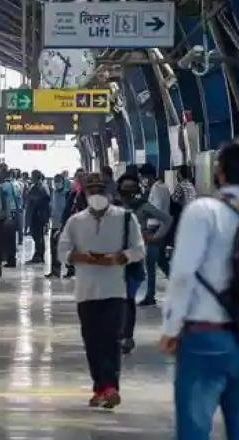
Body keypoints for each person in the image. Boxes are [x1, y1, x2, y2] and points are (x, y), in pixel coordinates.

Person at [160, 143, 239, 440]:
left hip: (207, 335)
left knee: (194, 428)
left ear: (218, 173)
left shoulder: (204, 211)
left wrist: (170, 327)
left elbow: (182, 273)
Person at [58, 173, 145, 409]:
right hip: (86, 292)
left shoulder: (125, 219)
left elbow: (139, 249)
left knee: (111, 340)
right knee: (92, 342)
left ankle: (110, 387)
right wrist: (82, 257)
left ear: (109, 193)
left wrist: (121, 257)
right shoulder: (75, 222)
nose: (96, 195)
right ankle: (100, 387)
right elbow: (62, 250)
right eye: (91, 191)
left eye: (100, 191)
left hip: (115, 290)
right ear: (85, 194)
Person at [115, 174, 172, 354]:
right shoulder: (112, 207)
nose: (129, 193)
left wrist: (154, 237)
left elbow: (167, 219)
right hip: (114, 258)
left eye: (132, 189)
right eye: (126, 189)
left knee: (128, 298)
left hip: (132, 258)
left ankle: (126, 336)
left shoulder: (141, 207)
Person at [139, 163, 171, 306]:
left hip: (155, 228)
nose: (143, 180)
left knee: (150, 264)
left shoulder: (157, 189)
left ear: (148, 176)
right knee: (161, 262)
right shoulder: (162, 187)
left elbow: (156, 209)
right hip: (160, 228)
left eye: (143, 177)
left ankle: (150, 295)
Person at [25, 170, 50, 264]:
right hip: (37, 214)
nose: (31, 178)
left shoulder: (40, 187)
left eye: (33, 176)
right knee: (37, 236)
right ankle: (38, 254)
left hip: (38, 215)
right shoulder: (39, 186)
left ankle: (38, 255)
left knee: (38, 236)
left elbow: (41, 200)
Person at [46, 174, 68, 278]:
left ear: (62, 182)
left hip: (64, 225)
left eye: (58, 181)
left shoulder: (66, 194)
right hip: (54, 224)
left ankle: (70, 269)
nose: (56, 183)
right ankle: (55, 271)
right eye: (55, 181)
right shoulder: (53, 193)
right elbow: (51, 207)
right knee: (53, 248)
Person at [0, 168, 18, 267]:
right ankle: (11, 259)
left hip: (8, 213)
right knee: (11, 239)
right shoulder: (11, 184)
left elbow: (6, 201)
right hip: (13, 212)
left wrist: (7, 215)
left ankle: (10, 259)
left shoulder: (4, 186)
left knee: (8, 239)